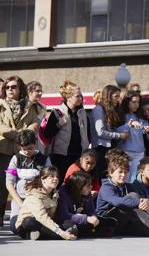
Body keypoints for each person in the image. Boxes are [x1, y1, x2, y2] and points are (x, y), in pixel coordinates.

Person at [95, 149, 149, 239]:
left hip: (125, 222)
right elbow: (118, 202)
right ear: (111, 173)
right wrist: (139, 202)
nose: (123, 175)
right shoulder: (106, 187)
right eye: (120, 172)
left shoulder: (128, 186)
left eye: (125, 172)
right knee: (132, 197)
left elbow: (139, 200)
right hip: (108, 224)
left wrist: (145, 201)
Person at [0, 75, 41, 227]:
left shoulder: (29, 106)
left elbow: (35, 124)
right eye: (7, 87)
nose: (9, 89)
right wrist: (18, 135)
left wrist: (25, 134)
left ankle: (27, 214)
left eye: (13, 87)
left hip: (22, 151)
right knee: (3, 185)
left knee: (26, 182)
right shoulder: (1, 105)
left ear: (20, 89)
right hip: (3, 150)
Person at [15, 166, 76, 240]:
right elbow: (42, 217)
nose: (56, 179)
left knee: (70, 224)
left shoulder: (55, 194)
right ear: (43, 179)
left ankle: (39, 235)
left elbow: (53, 216)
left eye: (57, 177)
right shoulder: (34, 195)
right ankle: (61, 235)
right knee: (29, 221)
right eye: (52, 177)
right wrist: (60, 232)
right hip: (28, 225)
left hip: (45, 224)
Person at [6, 130, 50, 233]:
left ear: (35, 144)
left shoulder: (44, 159)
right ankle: (32, 232)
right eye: (23, 149)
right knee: (15, 226)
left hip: (38, 200)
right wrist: (21, 203)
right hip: (20, 200)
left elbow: (49, 181)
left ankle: (34, 229)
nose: (27, 152)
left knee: (31, 222)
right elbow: (9, 183)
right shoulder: (15, 159)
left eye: (30, 148)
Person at [45, 80, 89, 183]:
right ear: (68, 97)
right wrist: (59, 124)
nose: (81, 98)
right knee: (60, 184)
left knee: (77, 184)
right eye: (77, 96)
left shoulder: (83, 113)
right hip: (61, 156)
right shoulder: (57, 112)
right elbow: (47, 134)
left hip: (78, 156)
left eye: (81, 96)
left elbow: (88, 134)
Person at [57, 171, 117, 238]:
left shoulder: (87, 194)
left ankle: (91, 231)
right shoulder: (63, 193)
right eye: (88, 185)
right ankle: (91, 232)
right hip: (70, 220)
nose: (91, 187)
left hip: (83, 220)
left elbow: (91, 210)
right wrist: (85, 218)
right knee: (71, 226)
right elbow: (63, 215)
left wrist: (94, 217)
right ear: (79, 186)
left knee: (111, 222)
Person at [90, 85, 128, 178]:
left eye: (119, 96)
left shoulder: (109, 110)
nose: (118, 99)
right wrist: (119, 136)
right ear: (108, 96)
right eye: (116, 96)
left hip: (109, 147)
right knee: (103, 175)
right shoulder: (99, 109)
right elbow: (100, 132)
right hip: (101, 148)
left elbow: (112, 129)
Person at [117, 91, 149, 182]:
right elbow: (116, 131)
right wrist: (129, 125)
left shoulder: (140, 117)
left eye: (138, 102)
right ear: (127, 102)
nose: (136, 105)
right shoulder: (121, 115)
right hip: (125, 151)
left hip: (139, 152)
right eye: (133, 102)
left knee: (136, 179)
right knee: (125, 176)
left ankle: (134, 195)